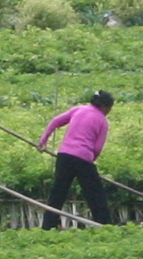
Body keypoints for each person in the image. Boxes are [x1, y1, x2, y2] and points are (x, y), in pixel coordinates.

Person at [35, 90, 116, 227]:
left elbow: (55, 121)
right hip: (83, 159)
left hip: (64, 156)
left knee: (58, 193)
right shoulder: (102, 121)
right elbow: (97, 148)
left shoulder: (79, 109)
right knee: (96, 195)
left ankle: (48, 226)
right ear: (104, 107)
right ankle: (106, 226)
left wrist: (43, 140)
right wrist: (90, 161)